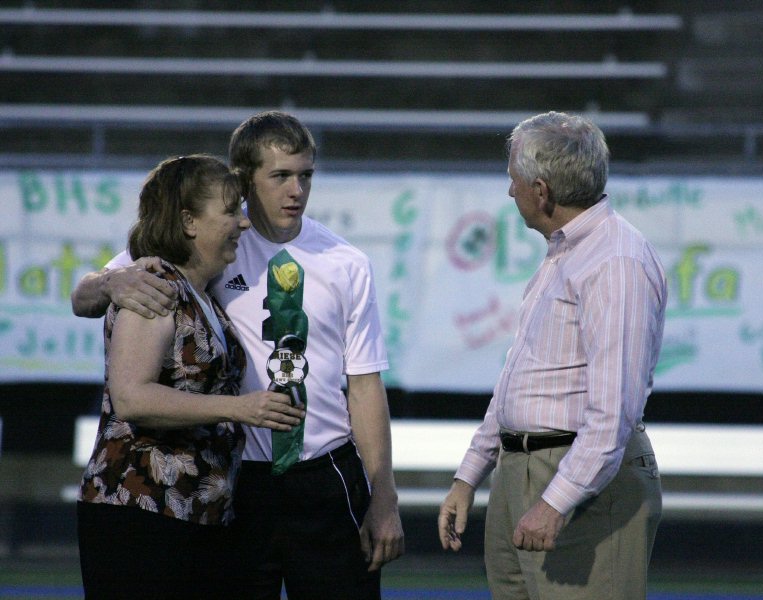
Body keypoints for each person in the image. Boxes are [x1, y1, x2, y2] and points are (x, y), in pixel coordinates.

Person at [71, 112, 404, 599]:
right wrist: (110, 281)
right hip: (237, 481)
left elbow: (365, 385)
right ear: (245, 180)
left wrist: (384, 497)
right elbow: (84, 297)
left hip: (325, 471)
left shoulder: (346, 262)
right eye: (281, 176)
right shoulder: (209, 241)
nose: (297, 190)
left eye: (306, 175)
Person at [437, 111, 668, 600]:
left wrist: (555, 503)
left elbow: (613, 415)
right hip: (521, 470)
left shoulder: (615, 262)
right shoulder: (567, 252)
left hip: (579, 483)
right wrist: (469, 475)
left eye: (513, 180)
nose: (509, 192)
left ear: (541, 191)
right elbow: (518, 381)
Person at [77, 154, 305, 599]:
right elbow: (132, 398)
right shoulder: (155, 283)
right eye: (229, 211)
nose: (242, 224)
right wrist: (240, 408)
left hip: (192, 515)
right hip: (141, 509)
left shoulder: (200, 292)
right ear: (189, 222)